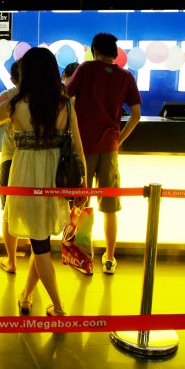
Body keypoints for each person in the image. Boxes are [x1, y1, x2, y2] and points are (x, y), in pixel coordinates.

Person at [0, 47, 87, 316]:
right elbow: (78, 146)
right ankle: (26, 296)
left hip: (25, 177)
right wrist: (83, 183)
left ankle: (59, 306)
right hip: (55, 177)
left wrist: (11, 106)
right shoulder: (65, 103)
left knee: (39, 242)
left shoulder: (17, 104)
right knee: (39, 239)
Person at [66, 33, 141, 274]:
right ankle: (109, 257)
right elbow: (136, 115)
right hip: (110, 146)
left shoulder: (86, 69)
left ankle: (83, 257)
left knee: (81, 202)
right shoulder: (126, 76)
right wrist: (118, 140)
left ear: (95, 50)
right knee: (110, 205)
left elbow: (65, 96)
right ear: (115, 52)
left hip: (84, 145)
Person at [0, 60, 22, 274]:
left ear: (12, 78)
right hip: (38, 161)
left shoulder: (8, 96)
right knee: (32, 207)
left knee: (8, 211)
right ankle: (33, 253)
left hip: (10, 157)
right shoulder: (43, 96)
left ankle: (11, 259)